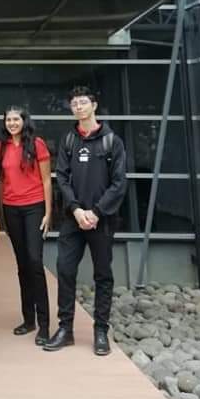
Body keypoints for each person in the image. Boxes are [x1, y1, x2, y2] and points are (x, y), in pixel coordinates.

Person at [44, 86, 127, 356]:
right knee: (65, 270)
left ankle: (100, 330)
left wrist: (96, 212)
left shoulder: (112, 141)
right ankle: (65, 329)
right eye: (74, 104)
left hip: (102, 220)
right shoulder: (69, 140)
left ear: (94, 105)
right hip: (73, 220)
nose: (78, 107)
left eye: (82, 102)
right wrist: (77, 210)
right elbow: (62, 177)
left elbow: (119, 183)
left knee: (103, 275)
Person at [0, 105, 52, 345]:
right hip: (11, 209)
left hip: (34, 207)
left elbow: (47, 179)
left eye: (16, 119)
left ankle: (44, 324)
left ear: (24, 121)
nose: (12, 123)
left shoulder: (37, 144)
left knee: (35, 262)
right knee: (22, 265)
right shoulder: (1, 147)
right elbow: (1, 181)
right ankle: (28, 319)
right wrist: (1, 213)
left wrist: (48, 212)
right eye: (8, 119)